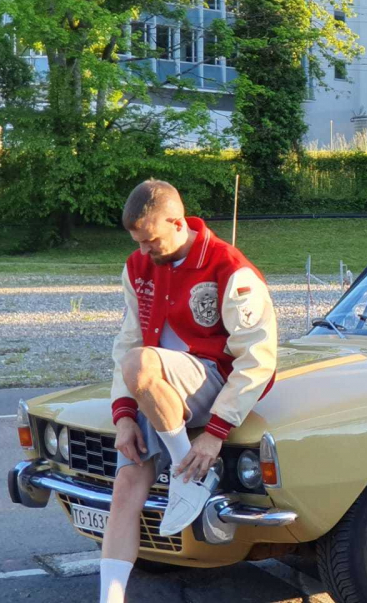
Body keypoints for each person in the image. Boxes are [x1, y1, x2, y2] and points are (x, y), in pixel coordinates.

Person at [101, 180, 278, 603]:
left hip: (211, 383)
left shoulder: (230, 268)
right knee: (126, 483)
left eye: (152, 241)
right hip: (155, 386)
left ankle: (189, 470)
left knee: (141, 362)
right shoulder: (137, 266)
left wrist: (216, 432)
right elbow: (127, 339)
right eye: (138, 243)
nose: (144, 252)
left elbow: (259, 359)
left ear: (179, 222)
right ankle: (110, 599)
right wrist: (124, 416)